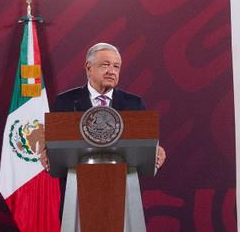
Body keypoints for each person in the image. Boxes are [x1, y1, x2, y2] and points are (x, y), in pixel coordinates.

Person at [44, 43, 165, 171]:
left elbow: (145, 144)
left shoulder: (134, 104)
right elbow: (55, 144)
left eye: (116, 66)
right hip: (77, 182)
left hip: (124, 181)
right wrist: (47, 152)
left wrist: (155, 150)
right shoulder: (65, 102)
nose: (111, 71)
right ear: (89, 68)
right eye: (105, 65)